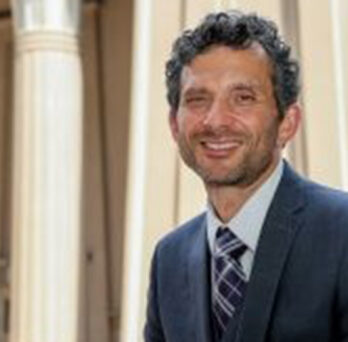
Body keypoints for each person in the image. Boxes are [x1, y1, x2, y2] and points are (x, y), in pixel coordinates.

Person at [144, 10, 348, 342]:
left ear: (287, 122)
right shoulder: (169, 258)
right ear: (173, 124)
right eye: (198, 99)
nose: (215, 120)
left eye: (243, 98)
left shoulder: (342, 233)